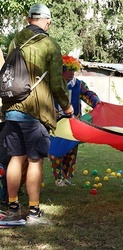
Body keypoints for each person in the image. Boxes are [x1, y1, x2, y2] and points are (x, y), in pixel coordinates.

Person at [0, 3, 73, 223]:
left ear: (29, 19)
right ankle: (33, 212)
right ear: (47, 21)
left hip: (12, 109)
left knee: (15, 158)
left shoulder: (14, 41)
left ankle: (12, 208)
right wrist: (67, 106)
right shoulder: (49, 44)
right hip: (35, 112)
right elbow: (57, 82)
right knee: (34, 161)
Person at [49, 55, 100, 187]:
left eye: (73, 70)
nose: (71, 73)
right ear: (61, 70)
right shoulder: (52, 85)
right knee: (55, 151)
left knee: (71, 151)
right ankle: (58, 179)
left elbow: (89, 95)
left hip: (72, 124)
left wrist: (97, 104)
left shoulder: (78, 85)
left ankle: (66, 177)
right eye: (68, 69)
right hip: (56, 124)